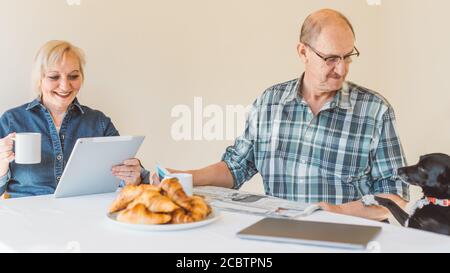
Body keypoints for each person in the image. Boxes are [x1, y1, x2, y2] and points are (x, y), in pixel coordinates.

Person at [153, 9, 410, 221]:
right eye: (331, 58)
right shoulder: (269, 102)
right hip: (281, 235)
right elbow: (235, 168)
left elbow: (394, 195)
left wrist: (334, 212)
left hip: (351, 238)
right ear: (303, 52)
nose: (341, 69)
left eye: (348, 57)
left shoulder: (375, 110)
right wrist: (180, 176)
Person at [0, 40, 149, 198]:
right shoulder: (12, 120)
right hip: (29, 218)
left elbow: (124, 181)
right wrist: (2, 163)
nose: (65, 86)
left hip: (84, 216)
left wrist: (134, 178)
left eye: (73, 76)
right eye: (54, 76)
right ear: (39, 79)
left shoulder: (99, 122)